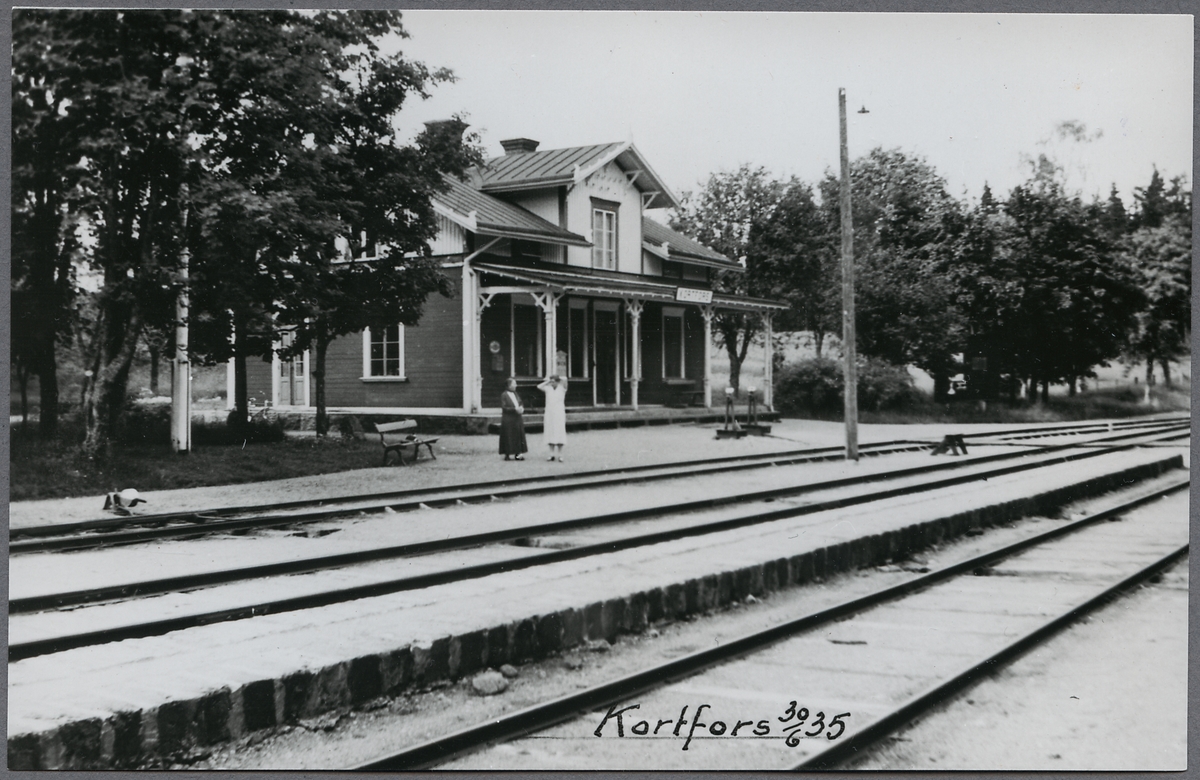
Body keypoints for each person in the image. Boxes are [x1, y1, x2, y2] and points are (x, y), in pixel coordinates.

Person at [538, 374, 568, 462]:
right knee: (550, 432)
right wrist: (548, 381)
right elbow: (538, 386)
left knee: (559, 432)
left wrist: (558, 378)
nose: (552, 383)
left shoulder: (562, 388)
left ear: (558, 382)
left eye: (554, 381)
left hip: (559, 414)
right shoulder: (548, 388)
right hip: (549, 414)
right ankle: (551, 454)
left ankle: (560, 455)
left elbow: (565, 379)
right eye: (551, 382)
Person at [499, 378, 527, 461]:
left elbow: (520, 402)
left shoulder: (515, 394)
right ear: (509, 385)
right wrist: (514, 409)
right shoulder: (504, 395)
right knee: (508, 435)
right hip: (508, 418)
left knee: (518, 435)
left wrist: (521, 408)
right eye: (514, 384)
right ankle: (507, 454)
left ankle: (518, 454)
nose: (516, 385)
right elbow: (504, 407)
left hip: (517, 417)